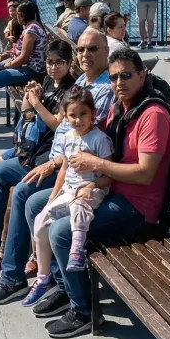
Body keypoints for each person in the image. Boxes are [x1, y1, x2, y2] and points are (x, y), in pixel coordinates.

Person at [19, 49, 170, 337]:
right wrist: (62, 164)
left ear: (142, 75)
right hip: (108, 188)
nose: (119, 82)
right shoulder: (122, 107)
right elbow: (85, 139)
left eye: (126, 75)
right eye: (114, 77)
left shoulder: (152, 115)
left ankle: (84, 310)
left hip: (136, 205)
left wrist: (98, 166)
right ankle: (64, 285)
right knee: (34, 204)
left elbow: (145, 173)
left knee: (61, 232)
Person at [0, 33, 116, 283]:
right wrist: (30, 103)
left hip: (68, 167)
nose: (85, 54)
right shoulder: (80, 80)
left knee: (24, 192)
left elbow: (80, 137)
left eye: (92, 49)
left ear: (106, 50)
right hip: (46, 153)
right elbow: (57, 125)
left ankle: (12, 276)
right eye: (81, 49)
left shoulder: (101, 90)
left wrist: (55, 161)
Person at [0, 39, 77, 269]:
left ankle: (4, 251)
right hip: (32, 145)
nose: (53, 67)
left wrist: (36, 102)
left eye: (59, 63)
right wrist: (28, 101)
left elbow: (57, 125)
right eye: (50, 62)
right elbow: (28, 115)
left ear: (69, 63)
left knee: (5, 177)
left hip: (46, 153)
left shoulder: (70, 91)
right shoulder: (48, 83)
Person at [23, 87, 114, 307]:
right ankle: (44, 277)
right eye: (72, 115)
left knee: (80, 207)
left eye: (83, 114)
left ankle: (77, 249)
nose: (78, 119)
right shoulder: (66, 137)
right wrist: (53, 198)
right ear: (65, 115)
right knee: (40, 220)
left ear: (92, 113)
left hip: (92, 188)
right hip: (69, 189)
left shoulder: (99, 139)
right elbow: (64, 170)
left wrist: (93, 184)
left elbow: (110, 174)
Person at [0, 0, 50, 133]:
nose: (16, 17)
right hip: (25, 67)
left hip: (31, 72)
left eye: (18, 14)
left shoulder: (32, 31)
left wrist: (6, 65)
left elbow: (23, 58)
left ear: (23, 15)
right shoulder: (31, 26)